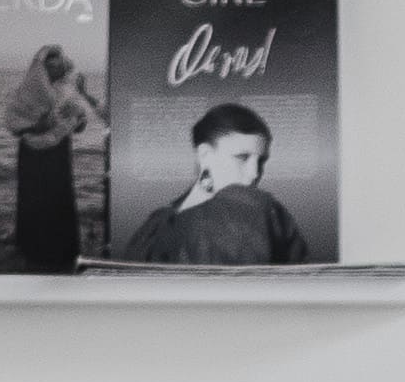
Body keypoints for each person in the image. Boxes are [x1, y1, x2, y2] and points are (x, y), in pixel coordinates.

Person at [117, 99, 315, 267]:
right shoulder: (156, 226)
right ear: (205, 155)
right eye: (242, 157)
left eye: (261, 161)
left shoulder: (267, 213)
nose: (255, 173)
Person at [0, 42, 102, 272]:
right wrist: (37, 126)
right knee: (32, 199)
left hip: (58, 153)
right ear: (41, 68)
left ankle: (61, 252)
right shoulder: (25, 92)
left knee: (58, 198)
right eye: (51, 67)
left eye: (59, 66)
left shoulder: (66, 91)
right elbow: (13, 125)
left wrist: (77, 118)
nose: (57, 70)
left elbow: (80, 126)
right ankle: (32, 249)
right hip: (32, 154)